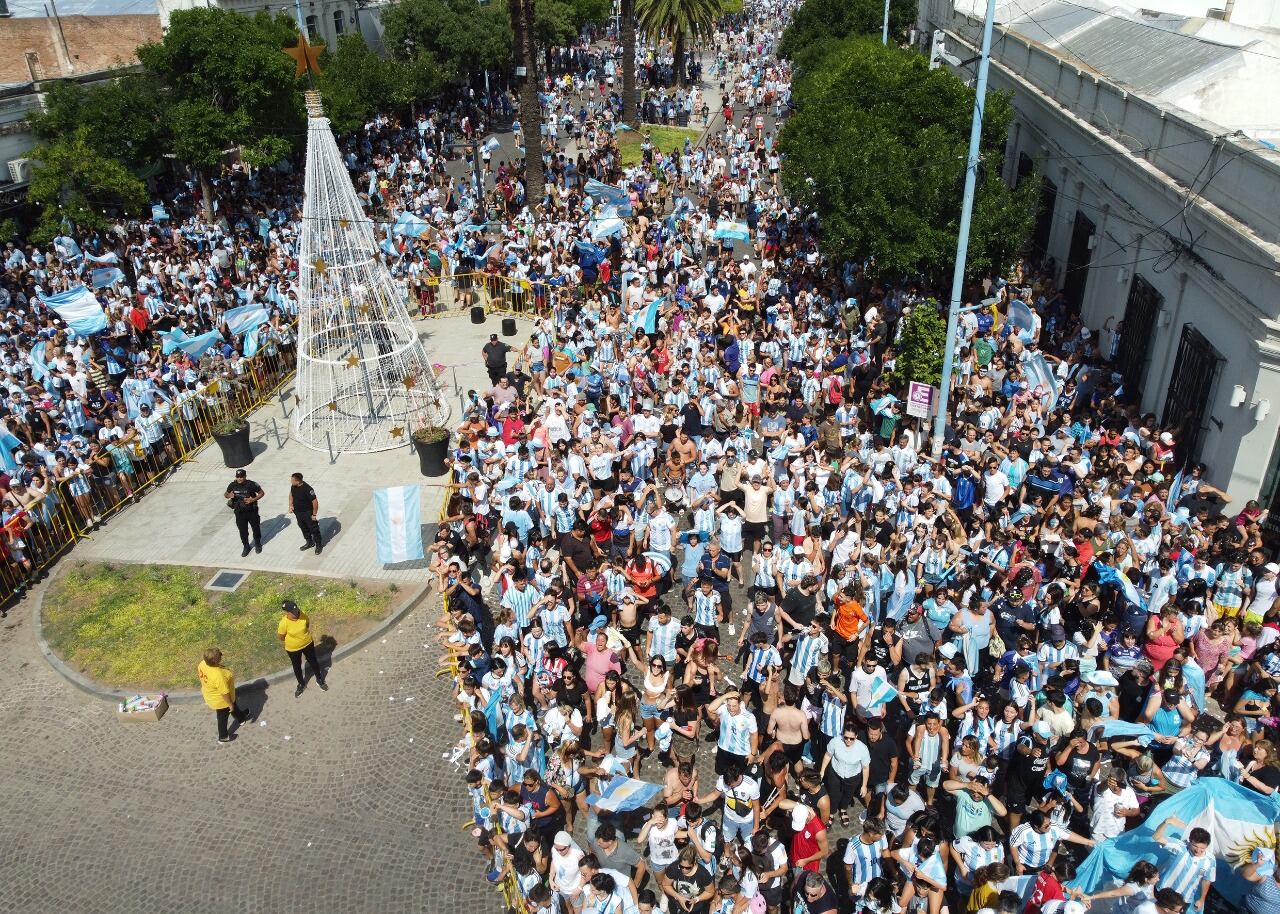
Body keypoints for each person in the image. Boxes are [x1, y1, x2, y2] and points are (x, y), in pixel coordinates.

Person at [277, 599, 329, 696]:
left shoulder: (302, 615)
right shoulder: (283, 623)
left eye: (296, 610)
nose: (296, 613)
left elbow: (307, 624)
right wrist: (294, 640)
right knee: (297, 666)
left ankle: (319, 679)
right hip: (293, 649)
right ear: (287, 613)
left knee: (313, 661)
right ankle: (301, 684)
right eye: (293, 612)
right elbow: (281, 637)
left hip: (307, 643)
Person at [197, 647, 249, 742]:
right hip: (221, 701)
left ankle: (241, 718)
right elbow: (224, 693)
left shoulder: (202, 664)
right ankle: (223, 736)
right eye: (219, 655)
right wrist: (229, 704)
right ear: (214, 660)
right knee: (223, 716)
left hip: (210, 694)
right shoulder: (218, 676)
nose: (221, 655)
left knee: (234, 706)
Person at [225, 468, 264, 556]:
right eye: (238, 477)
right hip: (239, 512)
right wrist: (228, 495)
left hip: (252, 511)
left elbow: (261, 493)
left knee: (256, 528)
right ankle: (246, 546)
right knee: (242, 530)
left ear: (245, 476)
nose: (239, 479)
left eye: (241, 477)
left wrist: (253, 499)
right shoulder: (232, 485)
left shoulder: (251, 484)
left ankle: (257, 543)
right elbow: (225, 494)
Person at [288, 472, 322, 555]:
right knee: (303, 527)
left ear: (298, 481)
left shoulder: (308, 489)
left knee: (314, 528)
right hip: (298, 513)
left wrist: (314, 514)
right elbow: (291, 494)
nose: (291, 481)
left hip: (308, 513)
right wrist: (290, 505)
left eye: (292, 480)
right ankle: (309, 542)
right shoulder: (293, 486)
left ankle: (318, 545)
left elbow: (315, 502)